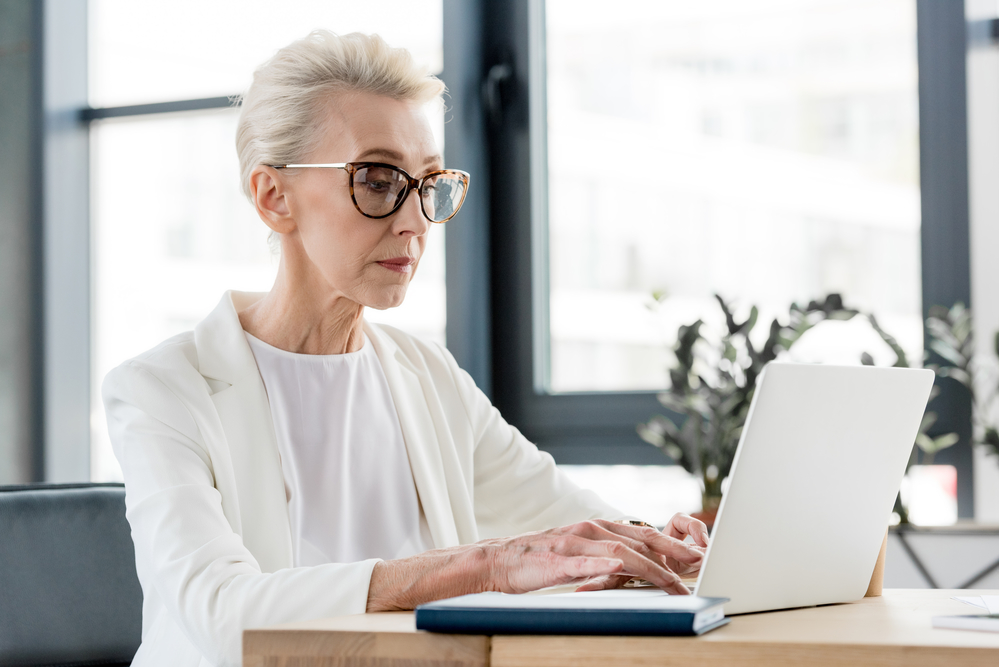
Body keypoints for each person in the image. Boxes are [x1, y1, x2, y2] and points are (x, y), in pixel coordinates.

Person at [102, 31, 709, 667]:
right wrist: (484, 566)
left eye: (428, 183)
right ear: (273, 196)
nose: (415, 221)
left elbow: (566, 524)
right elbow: (224, 615)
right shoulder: (163, 390)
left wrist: (653, 543)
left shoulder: (428, 377)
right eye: (377, 179)